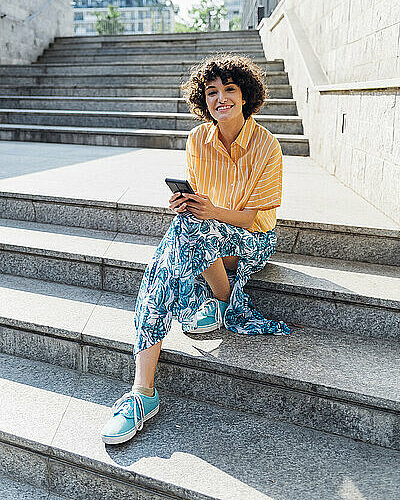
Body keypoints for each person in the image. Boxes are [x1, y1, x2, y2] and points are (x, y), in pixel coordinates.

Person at [101, 53, 291, 444]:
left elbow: (252, 218)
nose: (220, 98)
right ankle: (142, 391)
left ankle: (222, 299)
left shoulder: (268, 146)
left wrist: (207, 210)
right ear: (202, 99)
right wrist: (188, 204)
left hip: (252, 239)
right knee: (176, 243)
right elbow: (200, 205)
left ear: (245, 95)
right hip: (206, 232)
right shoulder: (196, 140)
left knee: (183, 237)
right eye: (211, 91)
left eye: (229, 89)